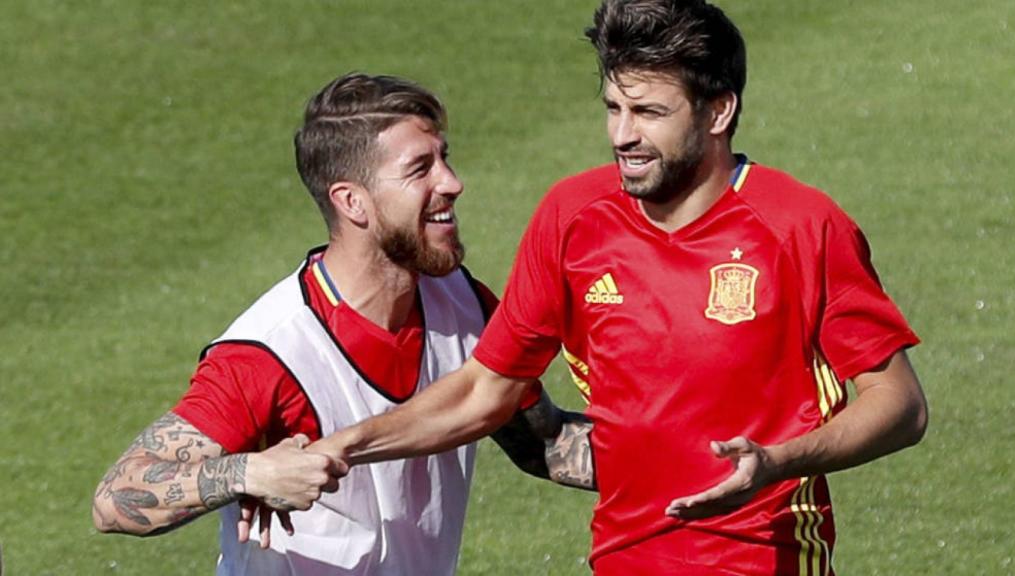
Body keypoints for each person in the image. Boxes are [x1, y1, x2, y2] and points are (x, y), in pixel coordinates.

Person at [304, 1, 929, 575]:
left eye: (650, 112)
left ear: (719, 112)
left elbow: (900, 405)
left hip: (767, 558)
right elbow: (483, 391)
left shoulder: (802, 227)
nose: (622, 135)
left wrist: (780, 462)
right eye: (614, 108)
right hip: (620, 559)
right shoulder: (573, 215)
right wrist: (343, 447)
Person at [92, 72, 593, 576]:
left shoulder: (463, 306)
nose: (452, 182)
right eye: (421, 168)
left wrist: (670, 452)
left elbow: (544, 444)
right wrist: (250, 472)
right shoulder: (271, 353)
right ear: (352, 201)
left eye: (445, 158)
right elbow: (116, 498)